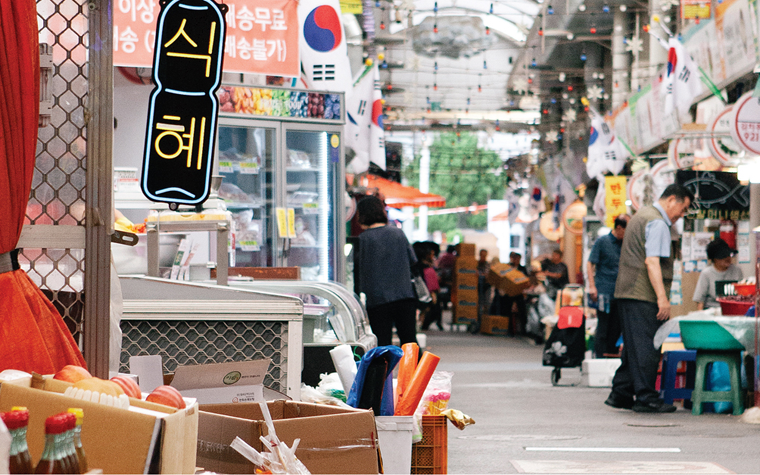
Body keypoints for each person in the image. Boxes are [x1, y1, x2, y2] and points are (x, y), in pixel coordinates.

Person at [605, 184, 694, 413]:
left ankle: (621, 393)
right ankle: (646, 398)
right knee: (647, 346)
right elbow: (652, 262)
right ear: (672, 199)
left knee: (633, 347)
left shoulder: (641, 215)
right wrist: (663, 299)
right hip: (642, 294)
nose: (681, 215)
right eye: (682, 209)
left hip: (627, 292)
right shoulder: (657, 222)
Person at [356, 196, 418, 347]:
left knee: (383, 345)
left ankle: (385, 372)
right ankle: (417, 371)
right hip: (404, 296)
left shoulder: (363, 239)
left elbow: (357, 269)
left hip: (378, 300)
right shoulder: (398, 234)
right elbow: (413, 261)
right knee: (409, 342)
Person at [587, 214, 630, 358]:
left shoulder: (626, 244)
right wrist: (592, 286)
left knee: (617, 328)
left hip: (621, 293)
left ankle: (610, 357)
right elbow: (590, 263)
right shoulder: (602, 241)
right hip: (604, 292)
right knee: (603, 328)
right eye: (627, 229)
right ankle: (599, 359)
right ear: (619, 228)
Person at [693, 238, 743, 310]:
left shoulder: (737, 270)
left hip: (733, 309)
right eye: (723, 257)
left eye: (728, 255)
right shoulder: (706, 273)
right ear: (714, 259)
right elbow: (700, 300)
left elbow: (742, 295)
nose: (727, 258)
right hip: (712, 310)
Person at [476, 249, 491, 318]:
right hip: (478, 287)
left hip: (486, 287)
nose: (483, 257)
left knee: (486, 304)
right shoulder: (476, 264)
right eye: (482, 255)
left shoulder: (488, 265)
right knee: (478, 304)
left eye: (484, 255)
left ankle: (485, 319)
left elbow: (488, 275)